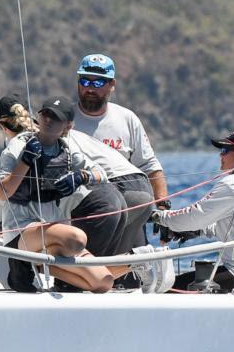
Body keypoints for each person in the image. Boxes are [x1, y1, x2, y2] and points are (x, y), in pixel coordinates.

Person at [0, 96, 172, 293]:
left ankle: (138, 260)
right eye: (45, 114)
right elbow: (2, 192)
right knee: (77, 238)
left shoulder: (68, 150)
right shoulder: (19, 145)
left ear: (67, 126)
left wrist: (82, 176)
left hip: (56, 235)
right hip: (22, 230)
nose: (48, 120)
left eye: (55, 117)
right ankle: (26, 261)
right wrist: (25, 161)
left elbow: (102, 174)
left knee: (103, 282)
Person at [150, 129, 234, 292]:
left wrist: (159, 216)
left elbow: (194, 217)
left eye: (225, 150)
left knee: (162, 289)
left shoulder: (233, 183)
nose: (220, 156)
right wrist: (198, 231)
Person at [72, 53, 169, 227]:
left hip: (126, 209)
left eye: (99, 82)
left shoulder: (127, 118)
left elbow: (150, 166)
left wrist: (163, 211)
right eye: (85, 81)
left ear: (112, 85)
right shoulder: (65, 120)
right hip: (78, 211)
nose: (90, 89)